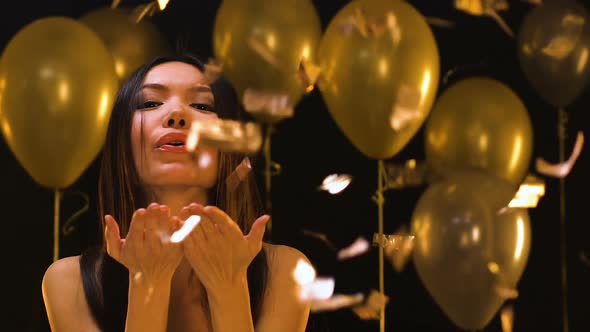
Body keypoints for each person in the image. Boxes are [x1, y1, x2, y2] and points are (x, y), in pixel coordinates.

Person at [41, 53, 311, 332]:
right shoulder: (69, 282)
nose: (177, 115)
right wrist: (148, 283)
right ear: (121, 145)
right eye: (150, 103)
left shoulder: (285, 272)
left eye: (202, 105)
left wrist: (229, 286)